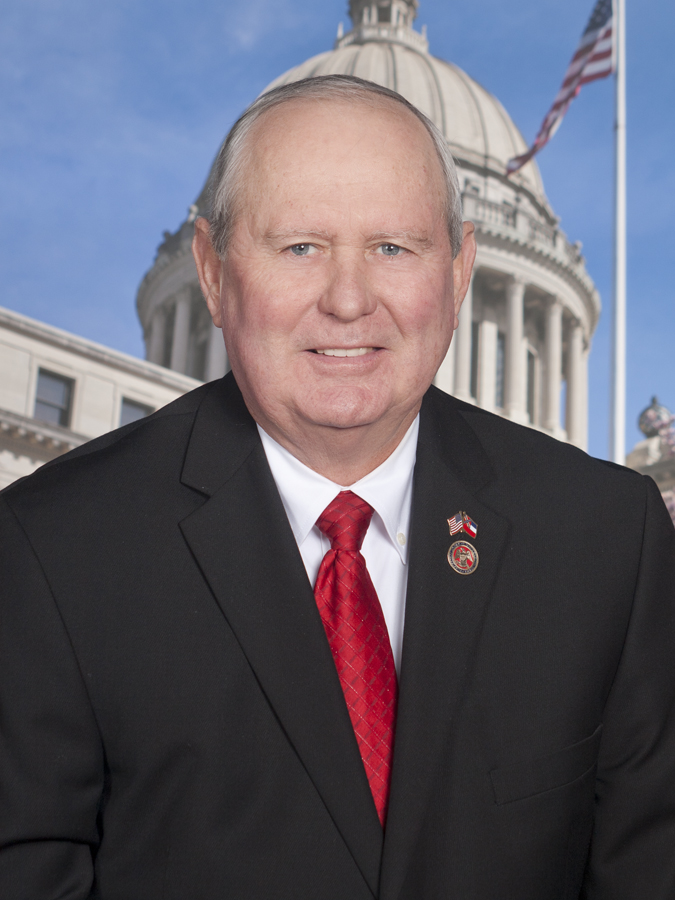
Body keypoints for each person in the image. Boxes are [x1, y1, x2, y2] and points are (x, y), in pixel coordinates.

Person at [1, 75, 674, 900]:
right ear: (212, 273)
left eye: (393, 246)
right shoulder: (51, 549)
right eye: (299, 247)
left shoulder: (606, 537)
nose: (349, 301)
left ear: (459, 271)